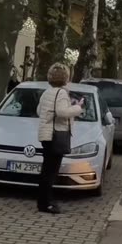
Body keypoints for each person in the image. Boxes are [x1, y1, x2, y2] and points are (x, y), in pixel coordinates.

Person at [38, 63, 83, 213]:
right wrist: (77, 108)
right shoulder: (62, 93)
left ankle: (42, 201)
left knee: (46, 169)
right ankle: (47, 203)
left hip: (46, 135)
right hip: (56, 135)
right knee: (51, 171)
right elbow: (62, 112)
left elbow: (39, 110)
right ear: (66, 78)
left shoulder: (47, 93)